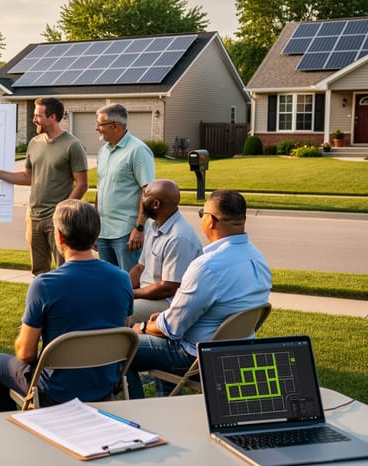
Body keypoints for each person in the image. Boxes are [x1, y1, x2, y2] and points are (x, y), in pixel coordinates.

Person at [0, 200, 133, 411]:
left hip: (55, 392)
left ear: (59, 237)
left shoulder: (44, 285)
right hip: (103, 386)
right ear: (96, 234)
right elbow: (123, 329)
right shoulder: (122, 278)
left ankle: (9, 428)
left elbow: (25, 353)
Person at [126, 190, 271, 398]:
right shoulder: (258, 258)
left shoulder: (207, 266)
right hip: (238, 351)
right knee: (155, 331)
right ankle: (167, 402)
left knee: (122, 345)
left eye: (202, 213)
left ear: (210, 220)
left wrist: (142, 327)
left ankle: (134, 409)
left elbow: (172, 329)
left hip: (196, 357)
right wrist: (162, 320)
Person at [0, 97, 88, 276]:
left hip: (57, 219)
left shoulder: (72, 145)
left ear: (52, 117)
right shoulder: (34, 143)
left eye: (38, 116)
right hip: (33, 217)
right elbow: (28, 176)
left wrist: (63, 212)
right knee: (39, 272)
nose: (34, 120)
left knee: (64, 271)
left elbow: (82, 184)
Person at [128, 179, 202, 324]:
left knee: (118, 311)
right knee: (108, 301)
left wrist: (130, 294)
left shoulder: (179, 237)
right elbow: (140, 267)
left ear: (156, 204)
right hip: (150, 295)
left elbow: (169, 287)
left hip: (170, 302)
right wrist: (121, 288)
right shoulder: (155, 226)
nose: (141, 199)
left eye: (145, 195)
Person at [94, 103, 156, 272]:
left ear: (115, 126)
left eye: (100, 124)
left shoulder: (138, 150)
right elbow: (101, 188)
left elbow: (148, 192)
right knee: (109, 283)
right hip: (104, 232)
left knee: (130, 282)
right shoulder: (103, 151)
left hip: (127, 234)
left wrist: (139, 228)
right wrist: (95, 227)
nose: (96, 128)